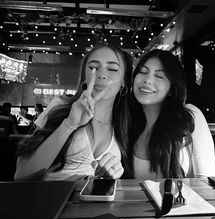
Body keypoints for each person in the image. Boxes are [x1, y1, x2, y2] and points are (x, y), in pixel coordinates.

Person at [14, 45, 132, 181]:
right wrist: (69, 124)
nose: (101, 75)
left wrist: (114, 174)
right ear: (84, 76)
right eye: (93, 67)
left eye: (112, 69)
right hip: (48, 200)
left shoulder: (124, 123)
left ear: (123, 81)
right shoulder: (60, 105)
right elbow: (21, 174)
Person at [128, 49, 215, 179]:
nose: (147, 80)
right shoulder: (129, 122)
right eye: (143, 72)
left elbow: (208, 182)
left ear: (172, 88)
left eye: (159, 76)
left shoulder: (189, 117)